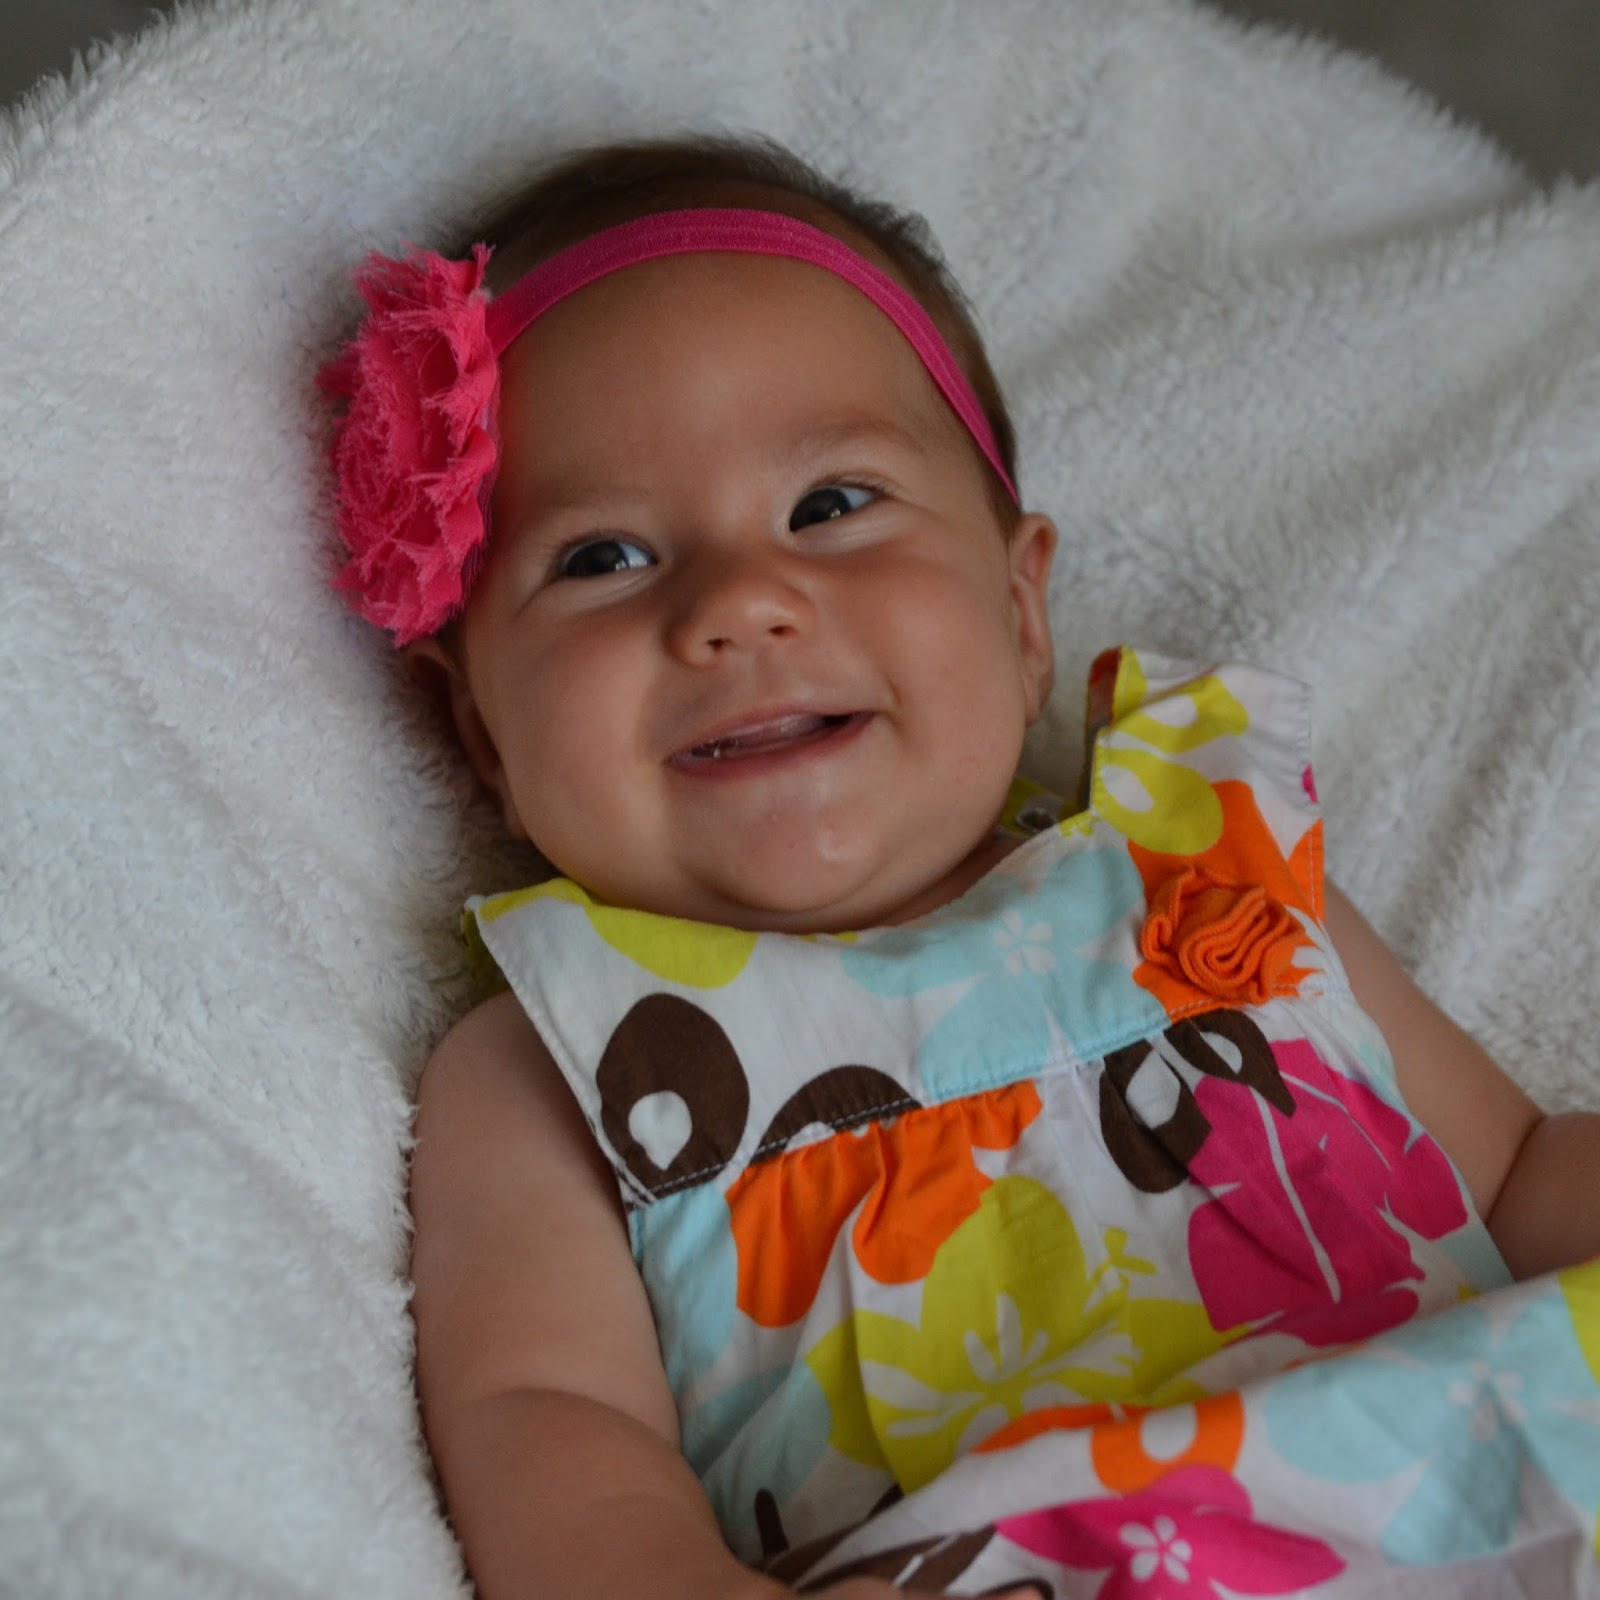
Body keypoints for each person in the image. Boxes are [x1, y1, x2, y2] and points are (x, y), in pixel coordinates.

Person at [321, 136, 1600, 1600]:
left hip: (1491, 1494)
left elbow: (1517, 1171)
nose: (743, 602)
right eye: (602, 558)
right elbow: (549, 1420)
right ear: (480, 734)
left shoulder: (1210, 865)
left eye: (830, 505)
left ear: (1020, 611)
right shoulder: (557, 1060)